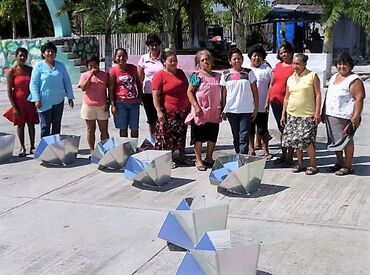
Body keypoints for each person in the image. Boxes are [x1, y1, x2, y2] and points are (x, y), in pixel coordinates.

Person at [323, 52, 366, 176]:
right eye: (339, 64)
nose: (342, 66)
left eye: (345, 64)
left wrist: (356, 116)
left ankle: (348, 166)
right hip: (331, 114)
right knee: (335, 142)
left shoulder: (354, 80)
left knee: (347, 141)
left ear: (350, 66)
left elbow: (359, 98)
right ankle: (339, 163)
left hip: (346, 116)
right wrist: (322, 111)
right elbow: (328, 94)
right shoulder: (334, 77)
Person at [281, 53, 321, 175]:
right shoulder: (290, 78)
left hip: (307, 115)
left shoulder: (312, 76)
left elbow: (318, 94)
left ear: (304, 64)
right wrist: (283, 114)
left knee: (307, 141)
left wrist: (317, 112)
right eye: (294, 63)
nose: (295, 66)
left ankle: (313, 165)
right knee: (296, 141)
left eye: (298, 63)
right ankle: (300, 164)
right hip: (292, 114)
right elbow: (286, 97)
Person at [152, 49, 190, 168]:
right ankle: (167, 160)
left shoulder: (180, 72)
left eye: (175, 60)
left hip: (182, 111)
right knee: (166, 137)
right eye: (171, 60)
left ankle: (181, 157)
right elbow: (155, 95)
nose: (174, 63)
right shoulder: (160, 75)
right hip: (167, 112)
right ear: (164, 62)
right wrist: (159, 111)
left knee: (180, 135)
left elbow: (187, 89)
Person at [185, 49, 222, 171]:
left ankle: (209, 158)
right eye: (202, 60)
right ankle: (198, 159)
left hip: (214, 111)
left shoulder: (219, 77)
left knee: (212, 136)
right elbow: (190, 92)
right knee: (199, 136)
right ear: (199, 63)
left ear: (211, 60)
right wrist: (196, 107)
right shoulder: (196, 77)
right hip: (201, 111)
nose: (205, 61)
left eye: (207, 59)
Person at [29, 42, 74, 138]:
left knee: (56, 125)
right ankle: (45, 149)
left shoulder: (60, 66)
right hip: (44, 101)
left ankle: (55, 148)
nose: (50, 53)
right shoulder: (38, 66)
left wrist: (70, 97)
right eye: (47, 51)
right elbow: (33, 84)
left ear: (55, 54)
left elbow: (67, 81)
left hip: (59, 100)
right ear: (43, 53)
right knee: (45, 126)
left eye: (52, 51)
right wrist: (36, 99)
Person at [220, 48, 258, 155]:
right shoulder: (225, 74)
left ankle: (242, 160)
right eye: (234, 59)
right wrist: (223, 109)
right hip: (231, 110)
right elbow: (223, 93)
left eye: (239, 58)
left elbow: (255, 91)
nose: (237, 61)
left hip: (246, 110)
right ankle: (238, 156)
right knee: (236, 136)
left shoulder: (248, 73)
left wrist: (256, 107)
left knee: (244, 137)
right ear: (230, 61)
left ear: (242, 59)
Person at [3, 47, 39, 156]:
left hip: (30, 102)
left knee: (31, 124)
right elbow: (9, 90)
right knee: (20, 125)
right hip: (18, 103)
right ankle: (22, 147)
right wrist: (14, 107)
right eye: (20, 56)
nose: (23, 58)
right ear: (16, 57)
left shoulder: (30, 70)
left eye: (24, 56)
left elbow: (35, 85)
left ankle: (32, 147)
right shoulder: (12, 71)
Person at [266, 41, 294, 166]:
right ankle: (283, 154)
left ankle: (290, 156)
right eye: (281, 53)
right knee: (281, 128)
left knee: (289, 129)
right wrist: (267, 100)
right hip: (275, 101)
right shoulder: (277, 66)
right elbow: (271, 84)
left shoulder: (295, 66)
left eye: (285, 52)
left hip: (289, 102)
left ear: (291, 52)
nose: (283, 55)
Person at [78, 55, 110, 154]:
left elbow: (109, 89)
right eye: (90, 66)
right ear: (87, 66)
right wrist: (90, 76)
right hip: (89, 106)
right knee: (90, 130)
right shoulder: (84, 75)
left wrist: (108, 102)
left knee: (104, 130)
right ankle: (92, 151)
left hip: (102, 105)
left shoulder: (104, 75)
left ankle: (105, 150)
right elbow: (83, 88)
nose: (93, 67)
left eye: (95, 65)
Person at [109, 48, 143, 138]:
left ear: (127, 57)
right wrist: (113, 105)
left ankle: (133, 148)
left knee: (134, 127)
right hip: (120, 103)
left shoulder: (133, 68)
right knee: (123, 128)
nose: (121, 58)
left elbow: (138, 83)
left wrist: (140, 96)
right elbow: (111, 88)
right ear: (115, 58)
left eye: (123, 56)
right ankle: (125, 148)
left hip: (134, 103)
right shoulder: (113, 71)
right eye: (119, 56)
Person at [247, 44, 272, 159]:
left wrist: (268, 101)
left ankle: (266, 150)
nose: (256, 58)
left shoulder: (267, 70)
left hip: (263, 105)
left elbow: (271, 87)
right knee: (250, 129)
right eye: (254, 56)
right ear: (250, 57)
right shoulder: (246, 70)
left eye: (259, 56)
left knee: (262, 129)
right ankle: (251, 149)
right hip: (249, 106)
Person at [137, 34, 163, 139]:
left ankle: (163, 140)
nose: (154, 47)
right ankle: (153, 141)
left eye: (156, 45)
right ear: (148, 46)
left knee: (161, 118)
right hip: (148, 93)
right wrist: (140, 94)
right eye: (151, 45)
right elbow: (140, 78)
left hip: (162, 93)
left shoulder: (164, 57)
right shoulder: (144, 58)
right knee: (151, 119)